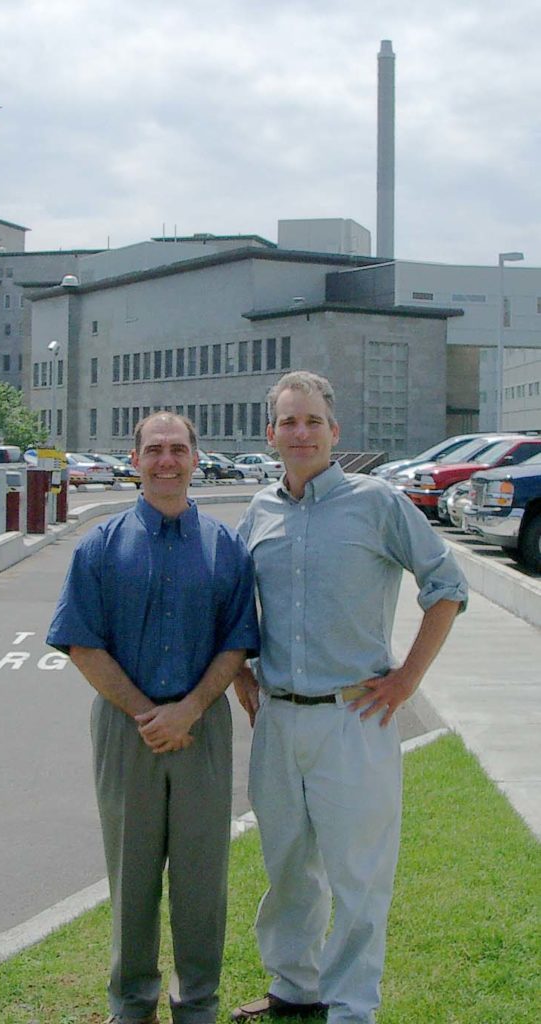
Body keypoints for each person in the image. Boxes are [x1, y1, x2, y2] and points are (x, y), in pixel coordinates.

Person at [231, 372, 468, 1024]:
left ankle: (349, 1008)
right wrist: (240, 678)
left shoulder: (377, 503)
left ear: (333, 433)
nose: (299, 432)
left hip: (355, 719)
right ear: (271, 434)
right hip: (278, 720)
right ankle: (293, 991)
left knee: (359, 877)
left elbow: (445, 586)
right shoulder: (258, 512)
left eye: (312, 421)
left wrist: (407, 680)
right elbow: (231, 607)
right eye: (288, 421)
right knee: (287, 867)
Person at [47, 412, 260, 1024]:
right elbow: (83, 644)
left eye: (178, 449)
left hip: (203, 728)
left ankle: (198, 1002)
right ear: (135, 460)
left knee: (202, 876)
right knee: (131, 871)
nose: (166, 460)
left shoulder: (226, 547)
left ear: (196, 457)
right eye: (154, 450)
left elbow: (237, 641)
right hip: (124, 728)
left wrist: (189, 709)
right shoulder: (101, 545)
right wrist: (148, 714)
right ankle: (131, 1002)